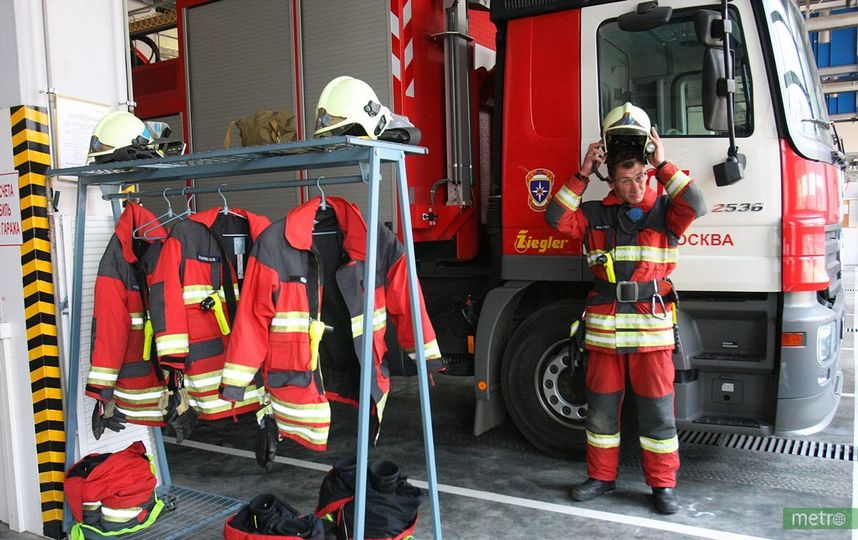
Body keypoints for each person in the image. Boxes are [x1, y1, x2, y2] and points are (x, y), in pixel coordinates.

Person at [544, 102, 707, 515]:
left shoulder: (668, 212)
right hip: (604, 334)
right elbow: (555, 218)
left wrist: (664, 164)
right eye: (624, 179)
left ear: (647, 173)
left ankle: (663, 486)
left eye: (639, 177)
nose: (634, 187)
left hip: (651, 334)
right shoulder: (594, 213)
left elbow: (698, 202)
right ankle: (601, 478)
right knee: (600, 415)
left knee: (658, 416)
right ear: (612, 181)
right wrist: (583, 172)